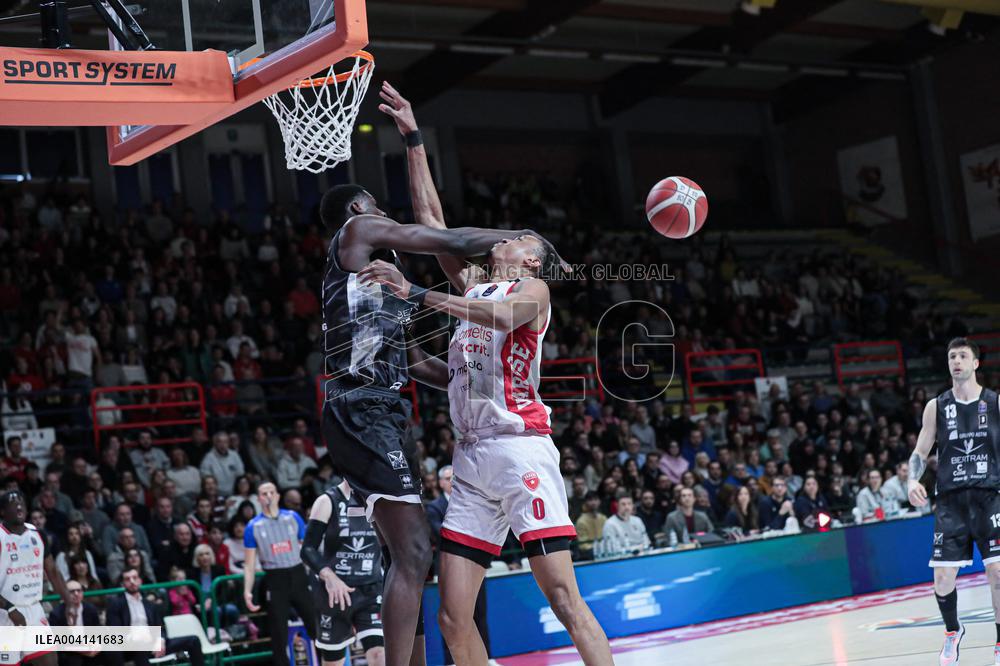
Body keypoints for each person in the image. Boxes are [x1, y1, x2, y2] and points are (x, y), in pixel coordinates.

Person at [375, 81, 610, 666]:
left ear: (532, 256)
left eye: (521, 235)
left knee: (563, 599)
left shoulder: (533, 290)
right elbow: (432, 224)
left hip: (520, 450)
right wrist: (413, 138)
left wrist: (416, 294)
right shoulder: (475, 285)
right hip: (472, 459)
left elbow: (499, 316)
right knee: (453, 618)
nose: (507, 235)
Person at [319, 97, 558, 666]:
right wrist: (522, 235)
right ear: (360, 208)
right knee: (415, 553)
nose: (387, 218)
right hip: (365, 407)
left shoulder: (383, 283)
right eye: (379, 209)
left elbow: (418, 362)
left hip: (389, 409)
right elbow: (440, 234)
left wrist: (470, 374)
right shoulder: (359, 229)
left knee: (410, 556)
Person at [907, 338, 1000, 666]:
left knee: (997, 572)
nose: (956, 361)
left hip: (989, 498)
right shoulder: (936, 406)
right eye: (951, 356)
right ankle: (952, 631)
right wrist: (912, 480)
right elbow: (920, 452)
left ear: (976, 363)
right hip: (951, 502)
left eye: (963, 356)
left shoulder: (995, 403)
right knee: (942, 579)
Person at [301, 478, 385, 666]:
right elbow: (307, 550)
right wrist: (329, 576)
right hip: (334, 593)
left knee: (379, 654)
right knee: (334, 661)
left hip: (371, 589)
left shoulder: (380, 499)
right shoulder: (327, 501)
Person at [242, 482, 317, 666]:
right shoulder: (253, 526)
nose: (268, 496)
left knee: (316, 627)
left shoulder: (293, 517)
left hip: (298, 575)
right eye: (264, 493)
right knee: (278, 635)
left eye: (271, 492)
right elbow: (249, 565)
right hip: (275, 580)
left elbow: (309, 548)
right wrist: (247, 591)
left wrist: (320, 574)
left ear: (277, 496)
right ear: (258, 499)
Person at [423, 466, 492, 664]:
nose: (452, 481)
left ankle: (487, 658)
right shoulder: (434, 507)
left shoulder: (472, 502)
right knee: (451, 617)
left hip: (475, 565)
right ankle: (452, 661)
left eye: (455, 477)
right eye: (448, 478)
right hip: (449, 569)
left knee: (479, 614)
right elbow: (441, 534)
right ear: (440, 483)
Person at [0, 490, 70, 666]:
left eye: (21, 502)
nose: (18, 506)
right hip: (4, 613)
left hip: (33, 610)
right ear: (2, 511)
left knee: (50, 662)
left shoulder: (37, 534)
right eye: (13, 503)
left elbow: (52, 570)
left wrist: (69, 601)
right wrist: (10, 609)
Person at [106, 568, 204, 666]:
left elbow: (161, 628)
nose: (132, 581)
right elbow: (115, 631)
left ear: (140, 580)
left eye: (135, 578)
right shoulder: (115, 604)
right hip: (131, 646)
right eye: (128, 579)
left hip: (152, 643)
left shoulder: (149, 604)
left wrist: (161, 640)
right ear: (123, 584)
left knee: (193, 640)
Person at [48, 580, 102, 666]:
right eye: (72, 591)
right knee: (73, 661)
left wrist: (96, 646)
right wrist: (81, 649)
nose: (76, 594)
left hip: (89, 645)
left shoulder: (90, 609)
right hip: (69, 650)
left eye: (79, 590)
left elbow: (97, 632)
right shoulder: (56, 614)